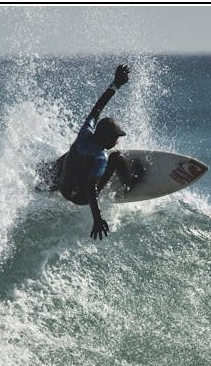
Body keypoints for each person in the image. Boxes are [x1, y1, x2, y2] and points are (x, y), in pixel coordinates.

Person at [54, 64, 139, 240]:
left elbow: (97, 109)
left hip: (64, 188)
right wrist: (98, 218)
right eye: (115, 137)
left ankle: (50, 179)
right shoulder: (101, 158)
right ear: (107, 139)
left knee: (71, 154)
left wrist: (115, 84)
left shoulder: (85, 133)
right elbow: (91, 188)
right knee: (117, 157)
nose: (117, 141)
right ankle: (129, 184)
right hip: (80, 197)